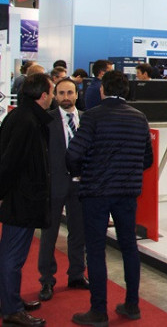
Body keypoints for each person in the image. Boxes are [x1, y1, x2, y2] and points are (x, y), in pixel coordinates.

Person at [66, 70, 153, 326]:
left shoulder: (92, 116)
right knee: (129, 247)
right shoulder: (139, 117)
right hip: (127, 192)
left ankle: (98, 310)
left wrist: (80, 173)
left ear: (103, 90)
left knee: (95, 250)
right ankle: (132, 305)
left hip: (96, 191)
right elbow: (147, 158)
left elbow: (74, 154)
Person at [0, 74, 54, 327]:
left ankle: (10, 300)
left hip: (23, 198)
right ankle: (11, 309)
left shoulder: (24, 116)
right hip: (21, 200)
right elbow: (9, 163)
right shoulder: (27, 121)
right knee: (12, 256)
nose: (53, 97)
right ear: (43, 95)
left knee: (14, 255)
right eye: (52, 92)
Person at [38, 77, 89, 303]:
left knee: (78, 232)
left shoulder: (87, 119)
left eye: (70, 93)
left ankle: (76, 274)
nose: (66, 97)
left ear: (77, 94)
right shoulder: (46, 121)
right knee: (49, 234)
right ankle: (47, 279)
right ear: (55, 96)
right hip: (54, 184)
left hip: (81, 184)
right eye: (61, 93)